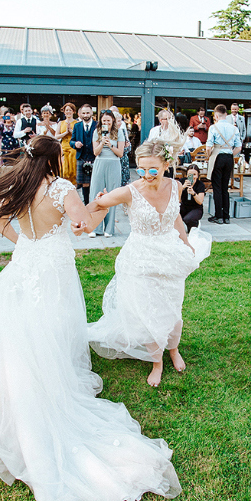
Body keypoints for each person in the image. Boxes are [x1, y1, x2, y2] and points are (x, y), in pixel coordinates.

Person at [0, 135, 181, 501]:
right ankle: (50, 379)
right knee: (54, 323)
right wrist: (95, 207)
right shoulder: (62, 188)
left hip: (25, 262)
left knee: (24, 326)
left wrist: (23, 241)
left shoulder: (20, 182)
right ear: (58, 160)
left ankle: (28, 375)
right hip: (52, 269)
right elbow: (82, 226)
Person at [86, 138, 211, 387]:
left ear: (166, 164)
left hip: (169, 254)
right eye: (141, 169)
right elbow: (97, 204)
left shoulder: (175, 186)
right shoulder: (130, 191)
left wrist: (185, 240)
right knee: (148, 311)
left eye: (152, 170)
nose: (146, 175)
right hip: (140, 258)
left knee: (173, 307)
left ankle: (173, 349)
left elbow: (175, 216)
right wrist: (78, 217)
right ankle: (157, 361)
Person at [90, 109, 125, 237]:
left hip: (114, 164)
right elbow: (95, 152)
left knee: (112, 194)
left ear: (113, 121)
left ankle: (109, 229)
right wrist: (102, 142)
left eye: (108, 121)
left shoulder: (119, 132)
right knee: (96, 193)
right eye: (104, 120)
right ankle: (95, 228)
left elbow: (120, 153)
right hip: (100, 163)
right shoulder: (96, 132)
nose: (106, 123)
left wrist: (110, 145)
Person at [206, 104, 241, 224]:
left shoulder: (213, 128)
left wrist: (209, 156)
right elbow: (239, 146)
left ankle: (218, 216)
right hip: (229, 157)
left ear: (216, 115)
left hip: (218, 156)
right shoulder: (234, 128)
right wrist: (231, 153)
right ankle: (227, 216)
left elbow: (209, 146)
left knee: (217, 188)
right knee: (225, 187)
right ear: (226, 114)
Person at [71, 104, 97, 204]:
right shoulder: (77, 126)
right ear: (80, 114)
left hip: (95, 157)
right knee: (85, 183)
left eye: (87, 113)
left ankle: (95, 202)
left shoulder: (97, 125)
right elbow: (71, 141)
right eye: (83, 113)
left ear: (91, 113)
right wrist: (75, 144)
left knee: (95, 182)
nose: (85, 115)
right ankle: (86, 204)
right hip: (81, 157)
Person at [178, 163, 206, 230]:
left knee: (188, 219)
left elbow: (200, 202)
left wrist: (193, 193)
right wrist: (182, 188)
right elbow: (177, 199)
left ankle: (194, 224)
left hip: (196, 208)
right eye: (190, 174)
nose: (192, 176)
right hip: (184, 206)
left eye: (194, 174)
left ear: (197, 175)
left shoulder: (200, 185)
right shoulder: (182, 182)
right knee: (173, 215)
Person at [57, 102, 78, 183]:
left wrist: (71, 131)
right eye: (66, 110)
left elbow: (79, 136)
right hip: (64, 146)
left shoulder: (77, 123)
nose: (68, 112)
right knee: (64, 167)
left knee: (73, 167)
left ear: (73, 111)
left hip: (73, 147)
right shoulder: (61, 123)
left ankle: (74, 184)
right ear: (64, 112)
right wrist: (65, 133)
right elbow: (56, 136)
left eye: (70, 110)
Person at [112, 107, 131, 186]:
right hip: (115, 160)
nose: (120, 123)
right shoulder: (110, 134)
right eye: (118, 121)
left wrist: (126, 147)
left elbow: (128, 147)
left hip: (124, 161)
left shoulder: (122, 131)